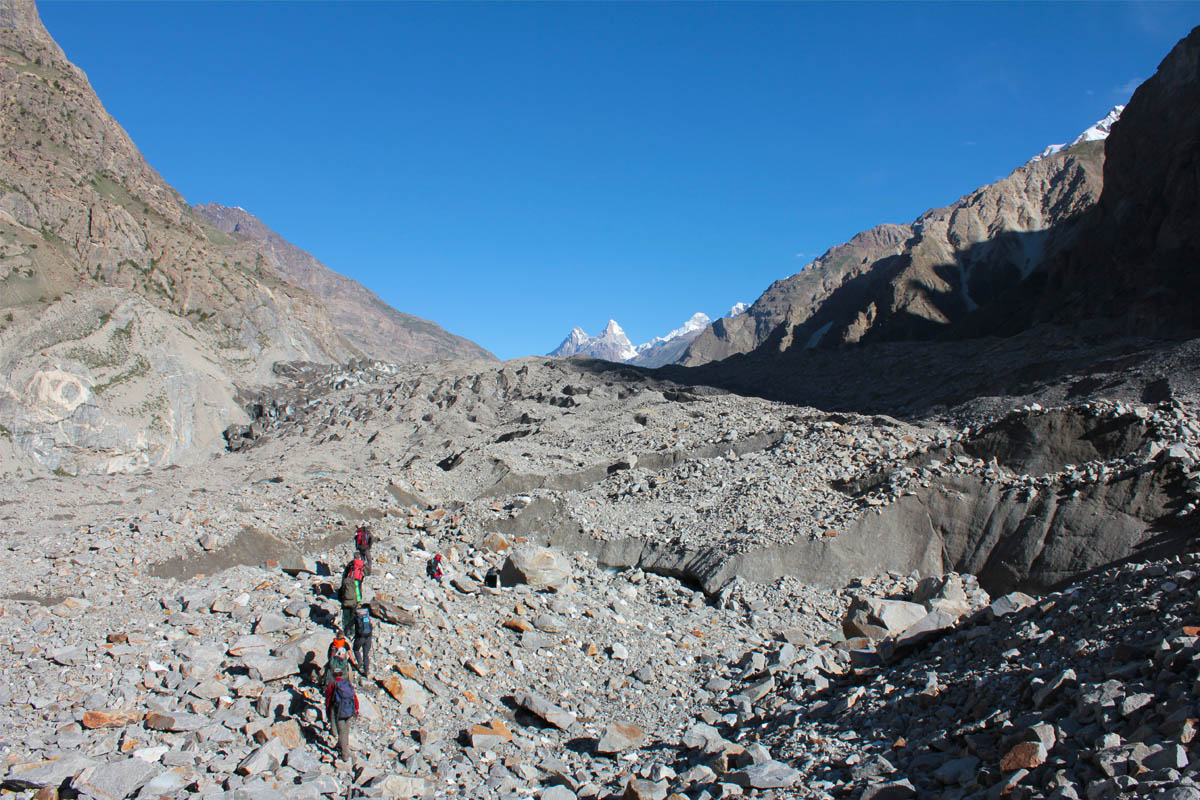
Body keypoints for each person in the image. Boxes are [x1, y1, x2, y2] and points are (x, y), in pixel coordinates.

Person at [324, 668, 358, 764]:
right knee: (346, 731)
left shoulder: (332, 685)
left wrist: (328, 711)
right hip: (349, 711)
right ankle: (340, 746)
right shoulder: (348, 684)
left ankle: (345, 755)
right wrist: (356, 709)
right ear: (342, 674)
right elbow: (354, 697)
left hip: (340, 712)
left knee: (341, 732)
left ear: (333, 675)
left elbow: (328, 701)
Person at [339, 557, 365, 635]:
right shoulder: (357, 582)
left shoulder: (346, 581)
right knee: (353, 617)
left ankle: (345, 631)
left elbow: (341, 591)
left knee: (346, 617)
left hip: (346, 602)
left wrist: (341, 599)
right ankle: (352, 631)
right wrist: (359, 601)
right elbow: (358, 592)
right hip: (354, 601)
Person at [352, 605, 373, 677]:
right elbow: (371, 627)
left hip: (360, 638)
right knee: (366, 654)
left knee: (356, 649)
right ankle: (366, 671)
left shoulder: (357, 618)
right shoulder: (367, 617)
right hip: (368, 638)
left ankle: (360, 662)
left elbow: (349, 625)